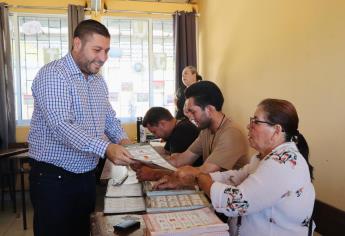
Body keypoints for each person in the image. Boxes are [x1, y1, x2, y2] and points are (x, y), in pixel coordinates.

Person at [28, 19, 135, 236]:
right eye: (97, 50)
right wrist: (106, 148)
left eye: (106, 51)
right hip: (53, 178)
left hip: (85, 175)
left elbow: (109, 118)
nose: (103, 58)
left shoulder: (97, 81)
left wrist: (124, 142)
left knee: (82, 231)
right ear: (77, 44)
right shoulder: (54, 74)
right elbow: (61, 126)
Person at [157, 98, 315, 236]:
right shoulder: (264, 157)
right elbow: (235, 177)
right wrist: (189, 179)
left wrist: (198, 176)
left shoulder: (283, 163)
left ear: (277, 130)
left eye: (256, 122)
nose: (248, 126)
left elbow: (237, 202)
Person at [134, 81, 248, 181]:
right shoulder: (206, 131)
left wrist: (155, 174)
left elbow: (204, 172)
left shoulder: (231, 133)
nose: (191, 118)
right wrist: (145, 162)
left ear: (209, 109)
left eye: (193, 112)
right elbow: (180, 159)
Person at [133, 107, 201, 181]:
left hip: (195, 178)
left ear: (162, 123)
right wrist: (141, 153)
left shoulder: (182, 131)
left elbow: (174, 164)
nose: (156, 136)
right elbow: (165, 151)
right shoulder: (176, 128)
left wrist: (146, 164)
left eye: (154, 132)